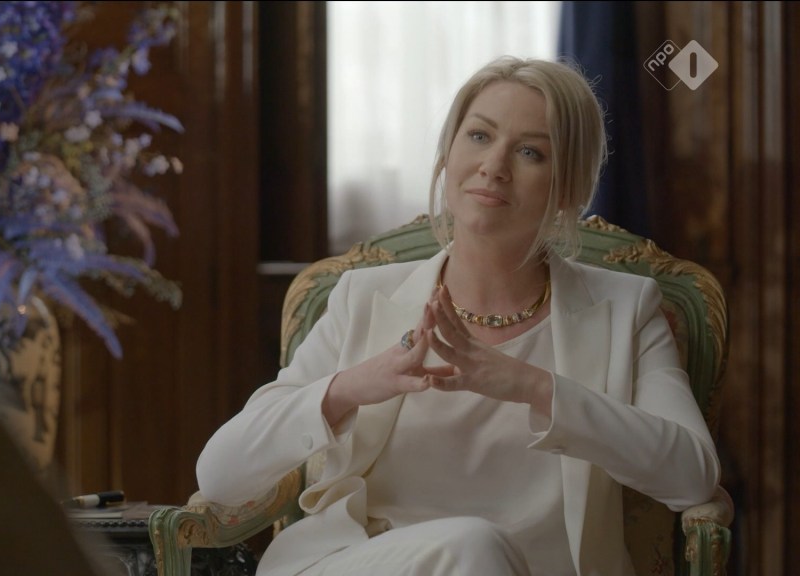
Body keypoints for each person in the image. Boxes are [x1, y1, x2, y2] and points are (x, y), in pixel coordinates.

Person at [195, 56, 720, 576]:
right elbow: (219, 476)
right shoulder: (362, 297)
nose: (494, 165)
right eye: (479, 136)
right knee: (472, 545)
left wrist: (535, 387)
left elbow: (692, 475)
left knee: (476, 547)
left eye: (531, 151)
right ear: (447, 154)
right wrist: (352, 386)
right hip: (358, 563)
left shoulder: (627, 308)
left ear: (569, 189)